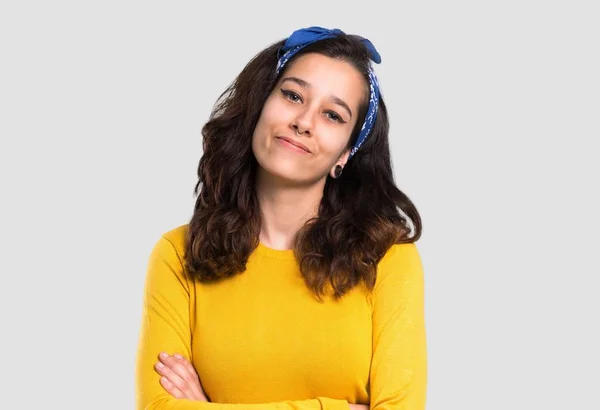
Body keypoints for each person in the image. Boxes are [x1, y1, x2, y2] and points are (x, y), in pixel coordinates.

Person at [135, 26, 427, 410]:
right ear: (260, 106)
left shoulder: (388, 260)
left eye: (332, 115)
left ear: (345, 154)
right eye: (292, 95)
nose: (304, 121)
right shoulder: (178, 254)